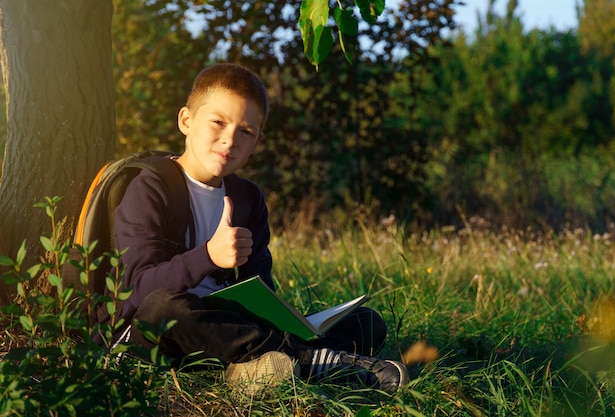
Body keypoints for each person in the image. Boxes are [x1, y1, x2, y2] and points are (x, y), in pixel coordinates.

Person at [103, 62, 409, 394]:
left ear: (257, 141)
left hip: (227, 335)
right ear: (186, 121)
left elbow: (259, 287)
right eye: (218, 122)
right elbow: (138, 290)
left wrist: (282, 318)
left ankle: (258, 367)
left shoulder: (246, 198)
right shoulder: (150, 186)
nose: (229, 139)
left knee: (368, 323)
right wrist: (208, 256)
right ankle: (307, 359)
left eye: (245, 131)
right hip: (155, 336)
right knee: (167, 306)